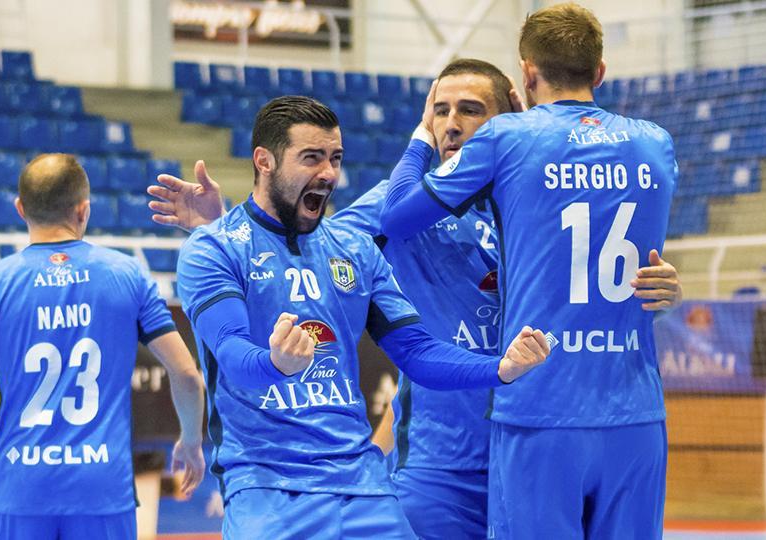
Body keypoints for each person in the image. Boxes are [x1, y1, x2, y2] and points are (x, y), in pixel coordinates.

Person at [150, 61, 683, 538]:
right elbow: (298, 247)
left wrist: (666, 288)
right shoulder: (400, 205)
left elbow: (607, 279)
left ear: (512, 118)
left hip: (538, 440)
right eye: (439, 111)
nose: (450, 124)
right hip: (441, 463)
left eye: (470, 110)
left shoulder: (543, 196)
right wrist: (222, 228)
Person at [174, 95, 551, 539]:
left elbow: (417, 351)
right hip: (268, 486)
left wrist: (501, 369)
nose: (329, 174)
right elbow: (234, 355)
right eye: (311, 158)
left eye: (335, 158)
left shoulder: (353, 249)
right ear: (265, 161)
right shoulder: (213, 248)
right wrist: (274, 363)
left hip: (363, 486)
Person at [380, 4, 677, 539]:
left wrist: (425, 135)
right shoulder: (656, 143)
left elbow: (396, 216)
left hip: (541, 409)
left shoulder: (509, 138)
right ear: (600, 71)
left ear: (527, 74)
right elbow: (638, 254)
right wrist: (668, 281)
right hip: (635, 413)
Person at [0, 154, 206, 540]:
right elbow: (186, 374)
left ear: (20, 209)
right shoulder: (127, 274)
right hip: (102, 488)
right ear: (83, 210)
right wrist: (192, 441)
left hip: (21, 487)